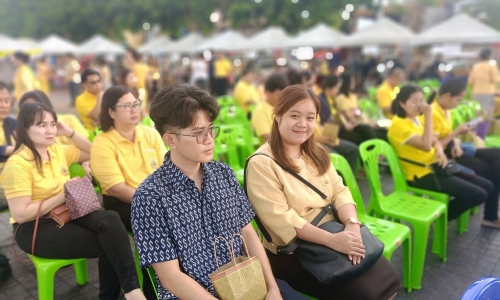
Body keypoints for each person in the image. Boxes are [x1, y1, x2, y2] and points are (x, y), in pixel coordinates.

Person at [131, 84, 307, 300]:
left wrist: (271, 288)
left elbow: (249, 235)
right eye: (198, 133)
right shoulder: (150, 197)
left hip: (246, 283)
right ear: (170, 140)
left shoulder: (223, 174)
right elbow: (170, 277)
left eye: (211, 129)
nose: (209, 139)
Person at [245, 84, 401, 300]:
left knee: (389, 281)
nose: (303, 124)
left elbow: (340, 191)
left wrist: (352, 226)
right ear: (278, 116)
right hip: (295, 250)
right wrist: (333, 241)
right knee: (369, 293)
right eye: (295, 116)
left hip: (336, 231)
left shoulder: (317, 153)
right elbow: (283, 220)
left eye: (310, 117)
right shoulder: (262, 164)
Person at [0, 102, 146, 300]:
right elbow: (21, 214)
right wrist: (63, 194)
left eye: (53, 124)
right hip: (35, 227)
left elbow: (93, 150)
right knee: (108, 243)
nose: (50, 130)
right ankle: (120, 293)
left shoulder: (57, 151)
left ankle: (131, 290)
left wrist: (68, 132)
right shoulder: (18, 164)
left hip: (67, 212)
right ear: (25, 129)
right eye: (42, 125)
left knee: (110, 218)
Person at [90, 86, 164, 299]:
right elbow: (116, 188)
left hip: (153, 197)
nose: (134, 109)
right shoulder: (103, 143)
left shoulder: (149, 133)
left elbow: (166, 170)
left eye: (135, 104)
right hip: (122, 203)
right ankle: (150, 291)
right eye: (126, 106)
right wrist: (152, 202)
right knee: (153, 224)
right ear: (111, 112)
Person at [388, 84, 491, 222]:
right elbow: (425, 145)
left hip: (437, 165)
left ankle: (441, 215)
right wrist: (428, 114)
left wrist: (440, 151)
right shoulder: (398, 124)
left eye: (421, 100)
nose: (419, 105)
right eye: (414, 101)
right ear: (401, 103)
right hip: (421, 174)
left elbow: (433, 140)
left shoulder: (414, 119)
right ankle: (439, 219)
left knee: (487, 186)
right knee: (478, 194)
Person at [428, 79, 500, 228]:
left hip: (452, 150)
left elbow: (447, 136)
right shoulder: (432, 113)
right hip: (442, 156)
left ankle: (490, 215)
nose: (458, 104)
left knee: (497, 156)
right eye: (458, 100)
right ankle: (489, 216)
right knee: (492, 172)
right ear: (447, 95)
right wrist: (456, 133)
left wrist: (456, 142)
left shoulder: (446, 111)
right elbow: (432, 146)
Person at [317, 75, 359, 171]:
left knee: (363, 131)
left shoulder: (330, 100)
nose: (338, 90)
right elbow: (325, 125)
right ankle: (347, 180)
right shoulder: (322, 101)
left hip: (331, 132)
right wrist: (344, 127)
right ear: (328, 88)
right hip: (326, 135)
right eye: (336, 88)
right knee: (352, 146)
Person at [336, 73, 381, 145]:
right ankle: (377, 151)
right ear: (347, 83)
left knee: (380, 131)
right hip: (351, 125)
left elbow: (357, 111)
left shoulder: (353, 96)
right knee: (367, 130)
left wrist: (357, 113)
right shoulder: (341, 98)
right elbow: (349, 117)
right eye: (352, 81)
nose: (354, 83)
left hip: (359, 122)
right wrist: (357, 114)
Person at [468, 48, 499, 139]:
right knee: (486, 114)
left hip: (476, 92)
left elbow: (470, 82)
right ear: (489, 56)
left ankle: (473, 134)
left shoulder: (476, 66)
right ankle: (482, 135)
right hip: (487, 93)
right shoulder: (491, 66)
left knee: (476, 114)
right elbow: (494, 79)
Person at [252, 73, 288, 143]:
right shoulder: (260, 111)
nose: (281, 98)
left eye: (283, 95)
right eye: (278, 95)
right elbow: (267, 137)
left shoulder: (283, 108)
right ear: (267, 92)